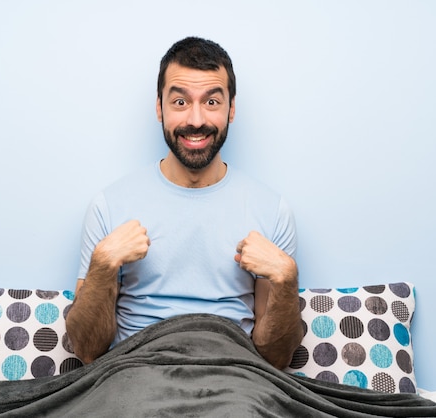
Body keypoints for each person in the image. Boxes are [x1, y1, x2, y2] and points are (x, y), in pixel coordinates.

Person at [65, 36, 302, 370]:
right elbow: (88, 352)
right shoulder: (109, 206)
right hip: (135, 378)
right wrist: (103, 265)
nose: (195, 119)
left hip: (234, 381)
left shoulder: (272, 212)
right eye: (179, 102)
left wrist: (286, 278)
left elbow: (276, 359)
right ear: (159, 108)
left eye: (211, 102)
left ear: (231, 109)